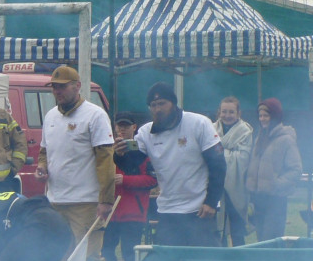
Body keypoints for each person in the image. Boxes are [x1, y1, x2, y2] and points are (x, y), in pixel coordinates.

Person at [35, 66, 131, 261]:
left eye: (62, 86)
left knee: (88, 259)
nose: (57, 91)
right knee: (60, 258)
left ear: (77, 86)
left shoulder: (95, 115)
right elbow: (44, 151)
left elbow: (105, 160)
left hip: (87, 202)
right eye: (54, 87)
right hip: (56, 201)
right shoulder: (51, 116)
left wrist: (105, 199)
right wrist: (42, 167)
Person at [126, 82, 225, 249]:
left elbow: (219, 166)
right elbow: (132, 166)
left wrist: (211, 202)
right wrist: (120, 154)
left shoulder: (198, 123)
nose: (158, 109)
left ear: (173, 103)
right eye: (153, 105)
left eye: (162, 103)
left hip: (200, 209)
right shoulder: (145, 133)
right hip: (168, 210)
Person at [101, 112, 156, 261]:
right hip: (111, 211)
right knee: (106, 250)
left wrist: (125, 180)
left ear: (134, 128)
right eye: (119, 126)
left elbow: (152, 180)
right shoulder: (107, 150)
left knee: (130, 252)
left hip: (134, 213)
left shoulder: (143, 151)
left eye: (125, 126)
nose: (121, 129)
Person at [245, 97, 302, 241]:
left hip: (275, 200)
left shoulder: (286, 139)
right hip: (258, 199)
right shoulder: (260, 137)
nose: (262, 119)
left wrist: (276, 184)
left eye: (266, 115)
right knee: (260, 240)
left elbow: (296, 169)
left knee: (271, 239)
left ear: (275, 116)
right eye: (260, 115)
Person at [213, 96, 253, 246]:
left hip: (236, 186)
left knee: (237, 229)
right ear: (219, 112)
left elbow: (242, 159)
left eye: (231, 112)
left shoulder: (246, 131)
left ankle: (240, 260)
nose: (227, 115)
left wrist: (220, 151)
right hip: (216, 184)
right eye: (224, 111)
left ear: (238, 113)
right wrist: (228, 151)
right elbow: (207, 155)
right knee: (217, 227)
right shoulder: (211, 128)